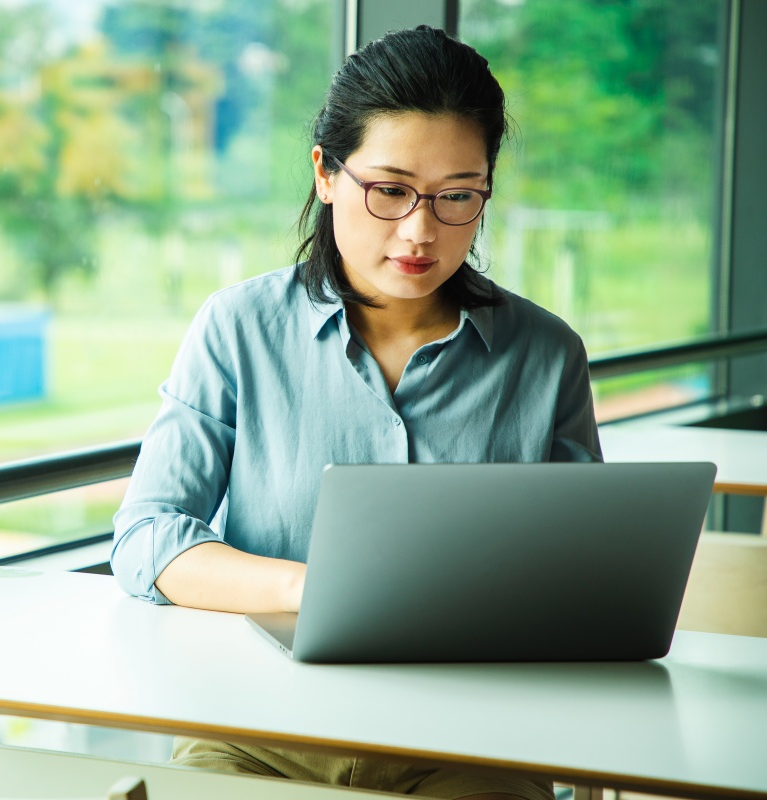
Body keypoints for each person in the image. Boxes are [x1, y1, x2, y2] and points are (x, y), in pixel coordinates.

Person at [110, 25, 600, 800]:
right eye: (391, 189)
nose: (421, 230)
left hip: (469, 744)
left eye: (457, 196)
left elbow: (584, 578)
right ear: (328, 174)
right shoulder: (239, 328)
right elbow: (147, 538)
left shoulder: (545, 355)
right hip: (260, 736)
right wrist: (319, 587)